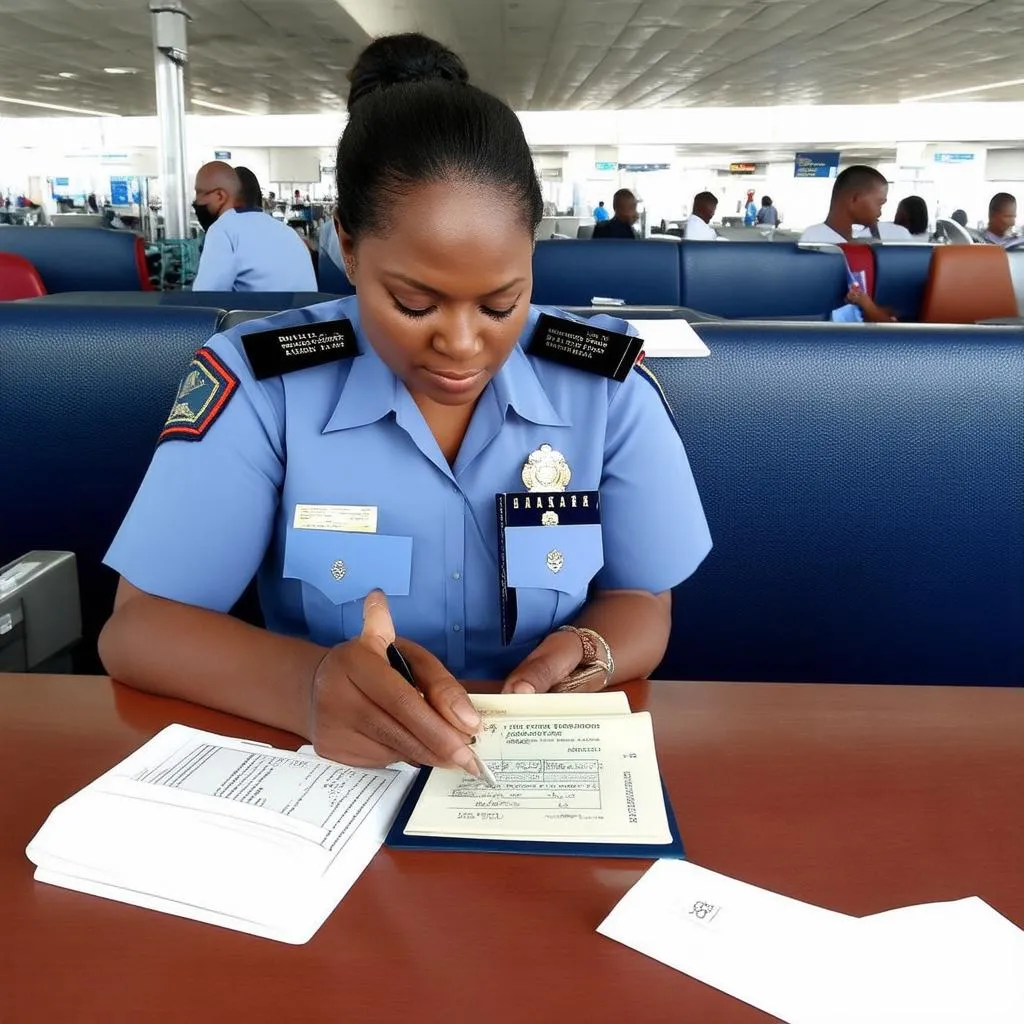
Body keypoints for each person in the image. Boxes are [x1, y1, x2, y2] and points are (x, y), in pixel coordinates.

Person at [98, 33, 711, 774]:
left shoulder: (605, 384)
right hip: (329, 770)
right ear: (348, 249)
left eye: (500, 301)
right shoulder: (264, 384)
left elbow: (644, 599)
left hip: (535, 766)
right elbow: (139, 628)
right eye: (414, 303)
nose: (461, 344)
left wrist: (585, 654)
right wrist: (311, 688)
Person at [190, 161, 316, 292]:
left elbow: (205, 296)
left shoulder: (222, 229)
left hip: (263, 312)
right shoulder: (288, 232)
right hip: (305, 310)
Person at [799, 165, 889, 244]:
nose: (879, 213)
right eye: (879, 204)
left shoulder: (892, 233)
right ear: (854, 199)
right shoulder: (812, 238)